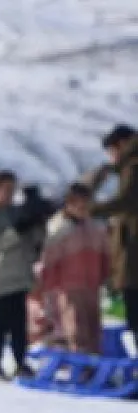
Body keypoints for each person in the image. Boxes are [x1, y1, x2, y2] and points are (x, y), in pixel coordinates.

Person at [0, 170, 55, 378]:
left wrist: (38, 220)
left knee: (19, 325)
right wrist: (19, 228)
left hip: (20, 276)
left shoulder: (15, 212)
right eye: (5, 190)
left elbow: (34, 242)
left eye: (12, 190)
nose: (10, 195)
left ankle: (20, 361)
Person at [35, 183, 109, 353]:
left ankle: (94, 361)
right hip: (67, 285)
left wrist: (105, 274)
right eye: (79, 205)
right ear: (69, 204)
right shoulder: (60, 228)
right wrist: (48, 283)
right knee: (75, 325)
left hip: (91, 282)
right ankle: (79, 363)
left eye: (86, 205)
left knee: (93, 324)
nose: (82, 209)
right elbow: (49, 258)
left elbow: (105, 252)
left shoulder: (94, 228)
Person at [88, 124, 138, 340]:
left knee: (135, 311)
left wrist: (93, 209)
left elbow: (127, 201)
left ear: (121, 145)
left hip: (134, 249)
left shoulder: (133, 167)